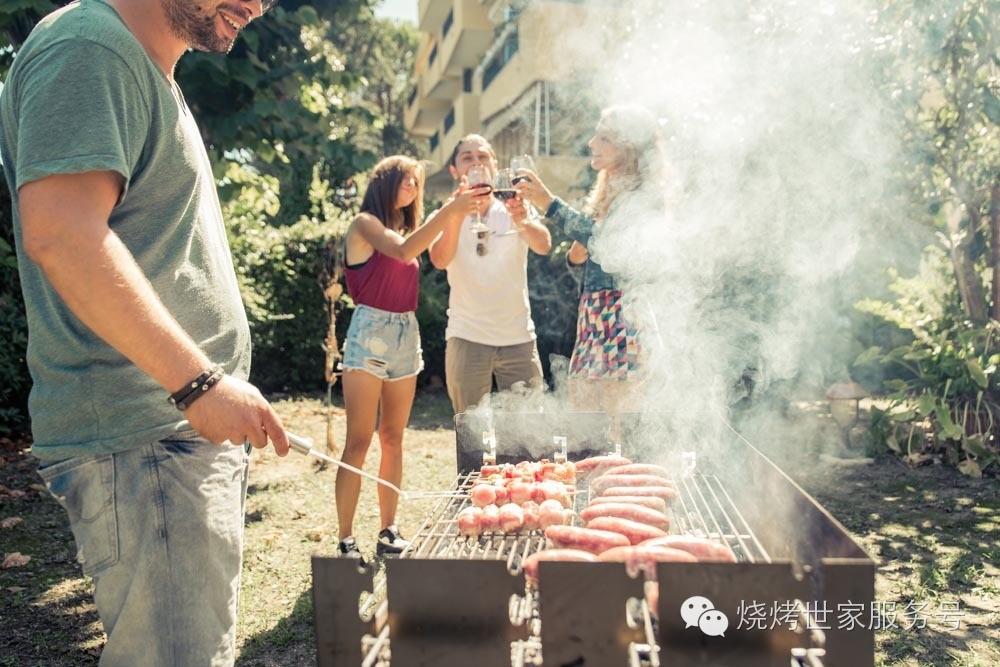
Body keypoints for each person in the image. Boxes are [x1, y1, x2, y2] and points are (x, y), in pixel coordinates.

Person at [0, 1, 289, 665]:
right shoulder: (91, 46)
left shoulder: (145, 66)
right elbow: (63, 234)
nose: (260, 2)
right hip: (148, 442)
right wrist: (198, 382)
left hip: (167, 441)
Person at [336, 156, 488, 562]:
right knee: (358, 441)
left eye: (418, 184)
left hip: (406, 333)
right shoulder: (365, 223)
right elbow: (403, 252)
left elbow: (433, 251)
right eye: (407, 181)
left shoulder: (405, 230)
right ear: (385, 182)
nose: (413, 190)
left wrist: (455, 214)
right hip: (369, 334)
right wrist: (449, 209)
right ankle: (347, 540)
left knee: (393, 438)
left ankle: (388, 531)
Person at [515, 106, 663, 415]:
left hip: (623, 315)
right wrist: (578, 256)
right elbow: (592, 251)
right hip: (595, 311)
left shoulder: (641, 197)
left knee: (613, 424)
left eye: (604, 138)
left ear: (629, 145)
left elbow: (609, 246)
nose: (591, 144)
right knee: (585, 417)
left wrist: (548, 203)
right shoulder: (608, 192)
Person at [428, 135, 553, 414]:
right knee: (470, 436)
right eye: (467, 158)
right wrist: (457, 214)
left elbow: (544, 245)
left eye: (483, 157)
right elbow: (439, 259)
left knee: (528, 437)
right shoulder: (445, 213)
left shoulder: (515, 206)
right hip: (466, 336)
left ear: (495, 166)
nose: (476, 163)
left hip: (518, 337)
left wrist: (522, 220)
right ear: (454, 170)